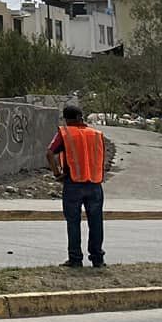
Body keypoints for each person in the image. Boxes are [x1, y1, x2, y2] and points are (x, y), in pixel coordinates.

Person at [46, 102, 113, 268]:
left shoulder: (65, 133)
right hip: (95, 183)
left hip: (73, 183)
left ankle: (75, 259)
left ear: (68, 119)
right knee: (96, 222)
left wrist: (57, 174)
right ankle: (98, 259)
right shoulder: (96, 134)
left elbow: (49, 153)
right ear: (81, 117)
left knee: (73, 222)